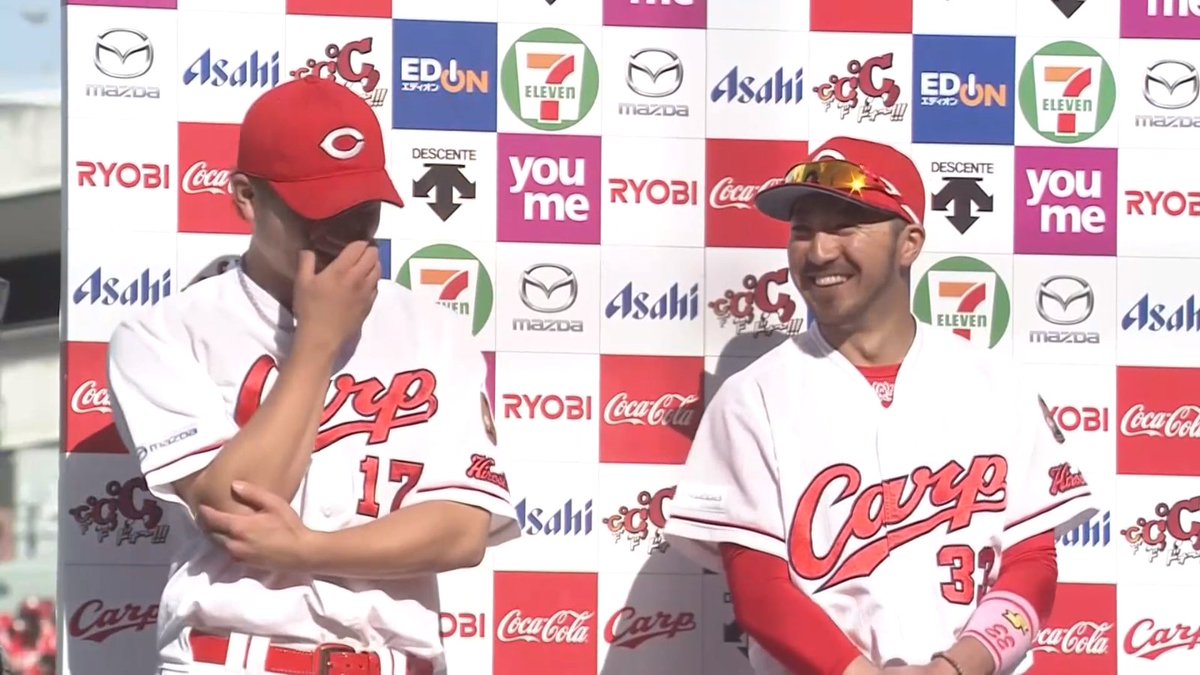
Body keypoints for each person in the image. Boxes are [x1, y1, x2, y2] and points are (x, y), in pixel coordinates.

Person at [106, 76, 518, 675]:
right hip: (236, 659)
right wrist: (318, 341)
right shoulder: (164, 332)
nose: (343, 230)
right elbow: (234, 511)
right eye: (319, 208)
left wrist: (307, 550)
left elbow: (461, 532)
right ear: (247, 197)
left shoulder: (433, 329)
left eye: (361, 207)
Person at [662, 137, 1099, 675]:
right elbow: (760, 591)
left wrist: (958, 668)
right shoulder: (753, 397)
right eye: (802, 231)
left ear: (908, 243)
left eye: (845, 226)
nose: (819, 252)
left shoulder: (995, 384)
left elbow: (1031, 560)